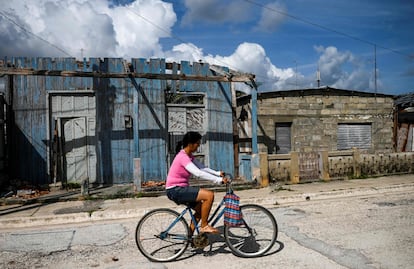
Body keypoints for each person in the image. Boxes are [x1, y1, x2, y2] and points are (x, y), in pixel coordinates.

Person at [166, 131, 228, 234]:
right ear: (190, 144)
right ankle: (204, 226)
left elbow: (201, 167)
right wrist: (218, 180)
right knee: (209, 195)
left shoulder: (188, 155)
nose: (198, 146)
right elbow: (198, 173)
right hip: (175, 190)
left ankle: (189, 238)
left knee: (201, 210)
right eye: (197, 144)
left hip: (179, 188)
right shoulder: (183, 157)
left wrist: (217, 173)